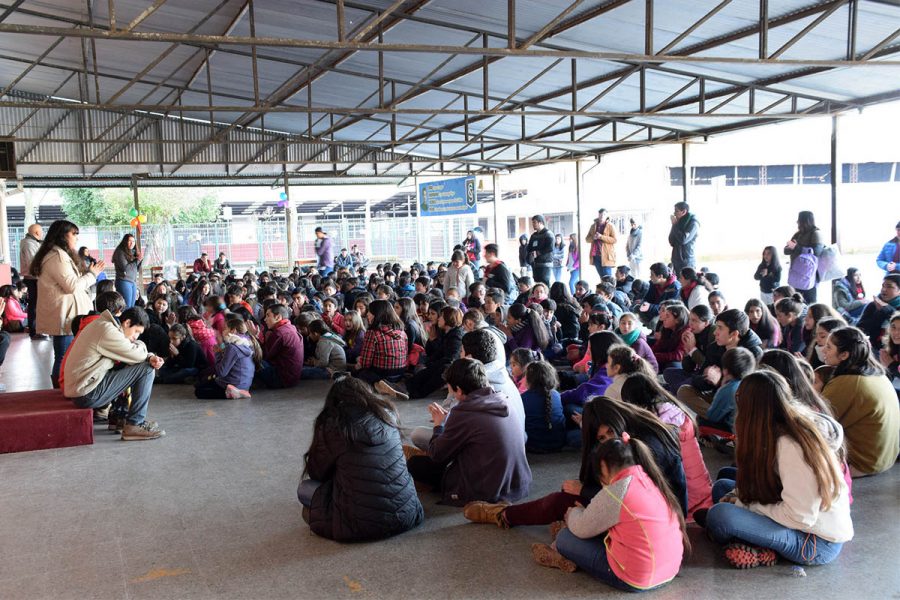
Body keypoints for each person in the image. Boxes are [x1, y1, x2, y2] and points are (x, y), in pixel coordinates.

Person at [703, 370, 853, 569]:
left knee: (720, 515)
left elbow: (801, 516)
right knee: (723, 486)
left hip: (814, 541)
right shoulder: (780, 428)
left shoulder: (792, 446)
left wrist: (747, 505)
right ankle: (755, 543)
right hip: (797, 519)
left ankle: (755, 544)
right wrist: (741, 498)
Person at [464, 397, 687, 528]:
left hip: (658, 523)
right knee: (569, 496)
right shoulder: (639, 429)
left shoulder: (643, 447)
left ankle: (502, 515)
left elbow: (630, 498)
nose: (609, 441)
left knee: (561, 502)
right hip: (659, 514)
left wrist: (586, 491)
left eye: (610, 433)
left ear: (619, 421)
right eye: (601, 438)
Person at [532, 437, 689, 591]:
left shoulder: (618, 490)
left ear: (604, 466)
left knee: (564, 538)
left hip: (637, 578)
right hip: (669, 570)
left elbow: (581, 528)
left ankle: (563, 553)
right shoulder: (648, 477)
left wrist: (573, 513)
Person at [298, 377, 424, 541]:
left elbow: (317, 473)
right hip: (407, 515)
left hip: (359, 527)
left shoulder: (333, 425)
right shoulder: (387, 414)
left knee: (305, 490)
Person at [406, 358, 532, 506]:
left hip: (483, 491)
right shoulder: (503, 399)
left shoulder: (463, 412)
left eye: (450, 388)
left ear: (459, 389)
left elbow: (437, 455)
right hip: (518, 484)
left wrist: (439, 424)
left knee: (415, 464)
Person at [63, 306, 165, 440]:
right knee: (146, 369)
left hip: (83, 387)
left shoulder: (102, 325)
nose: (135, 337)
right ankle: (135, 424)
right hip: (86, 393)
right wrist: (147, 353)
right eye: (136, 332)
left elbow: (133, 354)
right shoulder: (108, 331)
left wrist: (147, 354)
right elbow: (136, 355)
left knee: (132, 363)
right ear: (127, 323)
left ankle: (121, 418)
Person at [32, 220, 105, 387]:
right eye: (74, 234)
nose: (77, 238)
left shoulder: (59, 255)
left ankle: (62, 390)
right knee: (63, 356)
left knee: (65, 356)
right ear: (62, 235)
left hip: (67, 313)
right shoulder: (57, 257)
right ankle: (58, 393)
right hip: (64, 315)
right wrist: (92, 274)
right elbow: (72, 286)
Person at [820, 326, 900, 476]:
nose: (823, 350)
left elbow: (818, 422)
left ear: (844, 355)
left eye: (829, 347)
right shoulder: (877, 374)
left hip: (862, 463)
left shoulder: (847, 381)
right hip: (885, 459)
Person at [195, 315, 260, 399]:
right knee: (202, 383)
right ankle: (239, 391)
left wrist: (217, 354)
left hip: (233, 385)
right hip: (244, 385)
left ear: (233, 330)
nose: (223, 331)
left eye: (226, 328)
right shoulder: (247, 343)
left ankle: (234, 393)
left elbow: (222, 372)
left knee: (199, 391)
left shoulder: (233, 347)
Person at [407, 306, 464, 399]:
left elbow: (451, 359)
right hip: (444, 362)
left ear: (448, 318)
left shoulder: (456, 336)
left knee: (443, 370)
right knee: (427, 366)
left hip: (454, 366)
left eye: (441, 316)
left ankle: (418, 393)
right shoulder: (446, 333)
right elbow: (437, 352)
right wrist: (428, 362)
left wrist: (431, 365)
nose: (439, 319)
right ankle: (408, 387)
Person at [352, 299, 408, 390]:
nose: (367, 314)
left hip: (381, 374)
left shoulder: (372, 333)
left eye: (370, 312)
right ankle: (387, 385)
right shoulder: (401, 331)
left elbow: (366, 363)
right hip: (399, 373)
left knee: (356, 374)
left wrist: (359, 362)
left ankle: (378, 385)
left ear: (377, 314)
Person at [522, 361, 567, 453]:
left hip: (533, 445)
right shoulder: (556, 395)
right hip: (559, 443)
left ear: (529, 379)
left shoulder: (522, 398)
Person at [258, 303, 304, 389]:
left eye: (268, 316)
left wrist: (256, 337)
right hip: (293, 378)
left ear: (278, 317)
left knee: (253, 358)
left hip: (281, 379)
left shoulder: (280, 332)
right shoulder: (290, 327)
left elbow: (264, 355)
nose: (265, 319)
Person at [785, 210, 825, 304]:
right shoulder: (797, 234)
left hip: (809, 276)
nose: (797, 222)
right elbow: (786, 250)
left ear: (805, 221)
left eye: (799, 220)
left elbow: (816, 253)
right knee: (796, 305)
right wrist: (790, 248)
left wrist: (796, 247)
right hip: (795, 275)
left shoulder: (816, 233)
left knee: (810, 305)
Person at [856, 273, 900, 350]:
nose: (884, 289)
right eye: (883, 286)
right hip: (873, 348)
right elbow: (860, 329)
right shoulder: (873, 305)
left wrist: (887, 310)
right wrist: (880, 313)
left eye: (889, 286)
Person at [19, 223, 43, 338]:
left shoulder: (31, 243)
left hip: (34, 278)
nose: (42, 233)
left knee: (36, 304)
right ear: (37, 233)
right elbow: (32, 263)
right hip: (33, 278)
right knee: (34, 305)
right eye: (41, 231)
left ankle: (37, 329)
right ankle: (34, 331)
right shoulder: (29, 244)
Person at [668, 201, 699, 275]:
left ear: (684, 211)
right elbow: (671, 241)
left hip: (687, 260)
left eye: (676, 211)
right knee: (679, 283)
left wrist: (675, 225)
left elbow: (683, 240)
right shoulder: (678, 223)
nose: (674, 213)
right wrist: (674, 225)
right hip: (676, 258)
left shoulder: (693, 223)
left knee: (687, 282)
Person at [586, 208, 617, 279]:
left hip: (606, 256)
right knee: (602, 278)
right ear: (598, 214)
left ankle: (610, 290)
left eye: (604, 214)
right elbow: (587, 239)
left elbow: (614, 240)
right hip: (596, 255)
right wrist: (593, 237)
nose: (602, 216)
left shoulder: (610, 226)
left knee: (608, 279)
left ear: (607, 216)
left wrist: (601, 237)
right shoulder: (593, 226)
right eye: (600, 214)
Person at [527, 215, 554, 285]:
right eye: (532, 222)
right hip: (535, 264)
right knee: (537, 284)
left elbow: (550, 248)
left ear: (540, 223)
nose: (533, 224)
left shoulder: (548, 234)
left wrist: (538, 253)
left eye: (534, 222)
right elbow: (529, 247)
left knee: (544, 285)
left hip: (545, 264)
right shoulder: (533, 235)